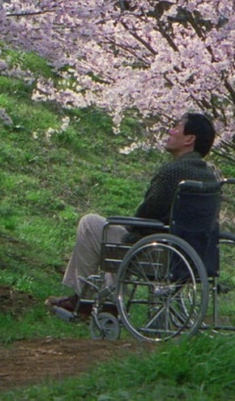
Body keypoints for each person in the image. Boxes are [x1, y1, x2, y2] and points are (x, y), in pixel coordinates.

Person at [45, 112, 219, 320]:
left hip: (158, 254)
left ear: (189, 139)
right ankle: (107, 303)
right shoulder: (210, 176)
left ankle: (86, 299)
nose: (170, 131)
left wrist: (131, 227)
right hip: (193, 255)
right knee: (115, 234)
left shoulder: (173, 172)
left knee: (92, 225)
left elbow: (147, 213)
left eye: (176, 127)